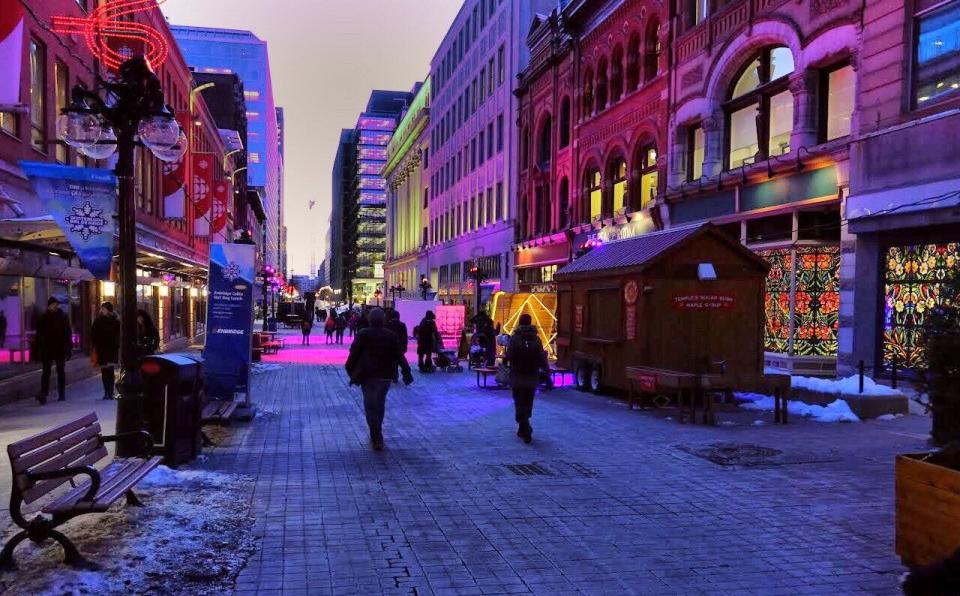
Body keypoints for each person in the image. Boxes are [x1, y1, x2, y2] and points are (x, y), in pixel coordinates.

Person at [345, 308, 414, 451]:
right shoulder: (391, 335)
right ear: (383, 320)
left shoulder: (363, 334)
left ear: (370, 320)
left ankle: (375, 435)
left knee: (370, 406)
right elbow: (400, 355)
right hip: (385, 376)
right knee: (380, 404)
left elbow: (353, 354)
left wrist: (351, 371)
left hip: (368, 376)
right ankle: (377, 433)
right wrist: (406, 372)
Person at [504, 313, 549, 444]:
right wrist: (547, 375)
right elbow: (542, 358)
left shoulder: (514, 338)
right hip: (532, 376)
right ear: (530, 323)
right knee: (528, 402)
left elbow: (509, 356)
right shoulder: (536, 339)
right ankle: (523, 427)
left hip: (518, 375)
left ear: (519, 322)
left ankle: (525, 426)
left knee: (519, 402)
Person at [35, 297, 72, 404]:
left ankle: (61, 393)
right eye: (53, 304)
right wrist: (39, 349)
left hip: (60, 348)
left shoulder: (62, 317)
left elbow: (67, 333)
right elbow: (39, 335)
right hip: (47, 349)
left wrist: (69, 348)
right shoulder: (43, 318)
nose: (55, 306)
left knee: (60, 371)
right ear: (49, 305)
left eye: (56, 304)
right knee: (46, 371)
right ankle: (44, 393)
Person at [90, 302, 121, 400]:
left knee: (110, 371)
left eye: (104, 309)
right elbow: (93, 333)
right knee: (104, 371)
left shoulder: (115, 321)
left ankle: (110, 391)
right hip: (101, 349)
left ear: (109, 310)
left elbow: (118, 335)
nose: (102, 310)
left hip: (111, 348)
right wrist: (94, 345)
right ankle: (106, 391)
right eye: (102, 309)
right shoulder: (98, 321)